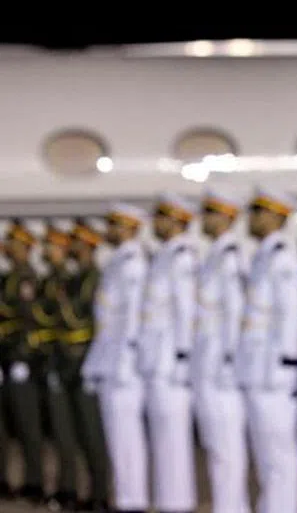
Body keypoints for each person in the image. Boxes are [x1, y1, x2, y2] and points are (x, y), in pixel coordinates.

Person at [238, 187, 297, 513]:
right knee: (265, 457)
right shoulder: (263, 255)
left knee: (279, 456)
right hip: (257, 369)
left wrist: (286, 365)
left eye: (258, 211)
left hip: (275, 372)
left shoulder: (282, 256)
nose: (251, 218)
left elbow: (290, 314)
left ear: (276, 216)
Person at [82, 202, 150, 513]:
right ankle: (125, 499)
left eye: (115, 224)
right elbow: (106, 324)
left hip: (125, 365)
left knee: (127, 438)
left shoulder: (133, 263)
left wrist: (125, 363)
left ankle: (132, 501)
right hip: (110, 362)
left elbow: (133, 318)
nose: (109, 230)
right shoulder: (118, 261)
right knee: (117, 438)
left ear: (130, 228)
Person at [138, 193, 200, 513]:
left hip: (171, 362)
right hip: (156, 361)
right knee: (162, 439)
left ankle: (177, 504)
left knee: (173, 440)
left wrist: (183, 359)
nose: (155, 223)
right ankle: (166, 502)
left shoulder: (181, 257)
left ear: (176, 221)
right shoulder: (163, 256)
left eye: (161, 217)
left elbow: (186, 312)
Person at [193, 187, 251, 513]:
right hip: (208, 364)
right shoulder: (214, 256)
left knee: (227, 450)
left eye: (210, 213)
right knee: (216, 447)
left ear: (226, 217)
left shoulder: (229, 257)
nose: (204, 219)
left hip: (221, 367)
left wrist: (230, 362)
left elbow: (235, 313)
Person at [63, 220, 111, 513]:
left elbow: (79, 317)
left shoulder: (94, 278)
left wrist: (61, 303)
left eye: (77, 242)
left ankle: (101, 495)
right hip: (71, 360)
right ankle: (91, 492)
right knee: (79, 432)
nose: (71, 246)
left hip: (87, 358)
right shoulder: (76, 278)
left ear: (88, 245)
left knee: (93, 434)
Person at [34, 224, 82, 510]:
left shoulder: (66, 280)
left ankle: (69, 489)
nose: (46, 251)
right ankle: (60, 487)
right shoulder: (49, 279)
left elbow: (60, 318)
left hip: (62, 359)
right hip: (46, 358)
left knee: (64, 431)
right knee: (52, 430)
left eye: (51, 246)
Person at [1, 220, 47, 505]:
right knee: (2, 427)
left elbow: (27, 318)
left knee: (28, 425)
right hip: (4, 356)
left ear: (27, 248)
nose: (9, 248)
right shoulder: (7, 277)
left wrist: (23, 357)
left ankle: (35, 482)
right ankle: (4, 480)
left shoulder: (28, 277)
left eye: (15, 244)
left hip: (21, 357)